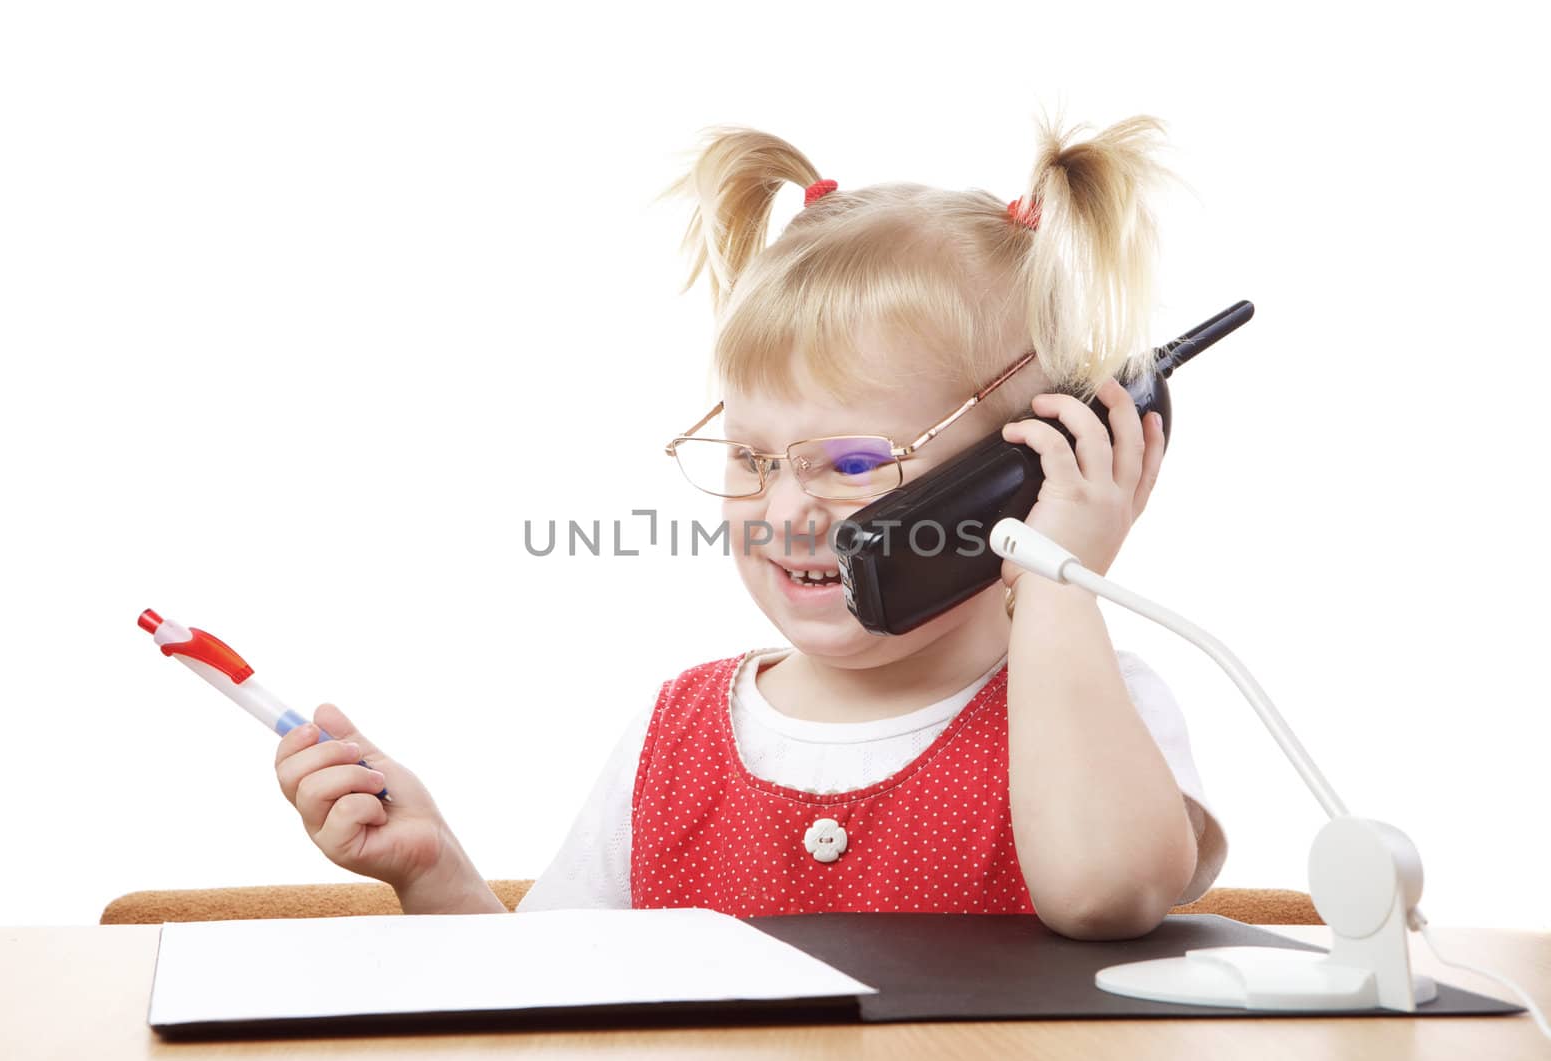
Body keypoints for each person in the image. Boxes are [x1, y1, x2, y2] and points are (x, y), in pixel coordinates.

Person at [273, 114, 1228, 940]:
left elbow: (1103, 892)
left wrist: (1056, 571)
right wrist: (433, 870)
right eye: (751, 458)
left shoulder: (1097, 704)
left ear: (1011, 477)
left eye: (851, 462)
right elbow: (552, 1001)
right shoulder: (674, 732)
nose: (782, 513)